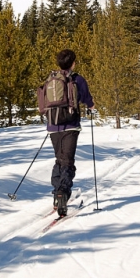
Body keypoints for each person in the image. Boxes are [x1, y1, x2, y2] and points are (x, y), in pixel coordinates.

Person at [47, 49, 94, 216]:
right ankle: (62, 194)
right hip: (71, 126)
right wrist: (91, 106)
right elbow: (86, 98)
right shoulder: (77, 79)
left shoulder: (51, 79)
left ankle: (56, 194)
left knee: (59, 159)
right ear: (73, 63)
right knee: (67, 162)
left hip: (53, 126)